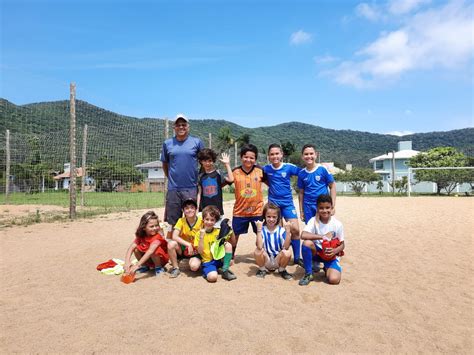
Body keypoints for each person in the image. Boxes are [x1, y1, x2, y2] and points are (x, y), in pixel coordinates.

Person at [161, 114, 204, 237]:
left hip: (191, 188)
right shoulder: (167, 143)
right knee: (172, 221)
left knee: (191, 218)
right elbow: (164, 163)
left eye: (184, 124)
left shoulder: (196, 142)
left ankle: (192, 247)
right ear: (174, 127)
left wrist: (198, 177)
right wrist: (170, 177)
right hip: (173, 188)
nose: (181, 127)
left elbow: (204, 161)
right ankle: (173, 249)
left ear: (188, 127)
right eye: (178, 125)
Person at [263, 143, 302, 265]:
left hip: (287, 204)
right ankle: (277, 256)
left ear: (281, 154)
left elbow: (304, 173)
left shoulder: (289, 167)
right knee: (277, 231)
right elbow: (262, 179)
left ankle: (296, 257)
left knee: (295, 229)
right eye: (272, 154)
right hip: (274, 205)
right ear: (268, 156)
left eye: (277, 153)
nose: (275, 156)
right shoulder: (266, 169)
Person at [228, 143, 266, 258]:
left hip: (257, 211)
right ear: (241, 157)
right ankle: (230, 256)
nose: (248, 160)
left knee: (261, 234)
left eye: (252, 157)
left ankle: (264, 255)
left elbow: (271, 184)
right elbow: (221, 184)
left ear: (255, 159)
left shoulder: (260, 171)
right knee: (234, 235)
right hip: (240, 211)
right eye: (246, 157)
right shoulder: (235, 172)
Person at [299, 194, 345, 286]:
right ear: (317, 208)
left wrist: (334, 251)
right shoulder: (313, 221)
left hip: (330, 255)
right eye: (321, 208)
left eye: (327, 207)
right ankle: (308, 273)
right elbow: (303, 235)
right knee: (306, 243)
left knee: (334, 280)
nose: (325, 211)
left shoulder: (337, 224)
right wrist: (323, 236)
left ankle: (327, 267)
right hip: (317, 253)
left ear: (332, 208)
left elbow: (342, 245)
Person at [195, 205, 236, 282]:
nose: (209, 222)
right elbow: (200, 251)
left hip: (218, 259)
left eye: (212, 220)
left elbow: (233, 244)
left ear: (216, 221)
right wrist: (201, 237)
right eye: (207, 219)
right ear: (203, 219)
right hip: (208, 262)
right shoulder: (199, 233)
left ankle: (225, 270)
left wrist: (231, 229)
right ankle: (209, 270)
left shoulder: (218, 232)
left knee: (228, 246)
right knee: (213, 278)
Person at [297, 144, 336, 223]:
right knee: (311, 230)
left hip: (323, 206)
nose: (309, 156)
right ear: (302, 156)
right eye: (306, 154)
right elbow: (301, 193)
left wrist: (332, 206)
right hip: (308, 206)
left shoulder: (322, 169)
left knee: (324, 229)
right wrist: (301, 211)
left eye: (311, 153)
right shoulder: (301, 173)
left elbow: (332, 186)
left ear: (316, 155)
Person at [254, 202, 293, 280]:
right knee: (257, 251)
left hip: (277, 260)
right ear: (264, 216)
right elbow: (259, 246)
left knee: (287, 252)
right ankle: (262, 269)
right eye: (268, 216)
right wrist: (258, 230)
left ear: (277, 217)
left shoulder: (281, 231)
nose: (271, 219)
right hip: (266, 260)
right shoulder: (262, 230)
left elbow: (286, 247)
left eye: (274, 217)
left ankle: (282, 270)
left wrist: (288, 232)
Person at [123, 211, 169, 277]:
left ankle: (159, 268)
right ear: (144, 227)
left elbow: (150, 251)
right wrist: (127, 262)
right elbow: (131, 247)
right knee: (136, 249)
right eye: (151, 226)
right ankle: (145, 266)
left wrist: (137, 265)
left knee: (154, 250)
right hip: (149, 259)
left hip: (161, 260)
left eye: (156, 225)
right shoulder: (141, 236)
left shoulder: (158, 237)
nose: (155, 228)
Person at [167, 198, 202, 278]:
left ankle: (198, 262)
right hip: (183, 249)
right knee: (171, 244)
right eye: (186, 208)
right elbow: (174, 236)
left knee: (194, 267)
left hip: (196, 251)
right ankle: (176, 268)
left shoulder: (201, 221)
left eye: (192, 207)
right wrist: (188, 244)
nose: (189, 210)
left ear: (196, 209)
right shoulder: (181, 221)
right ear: (183, 210)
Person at [197, 148, 234, 216]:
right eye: (205, 161)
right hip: (204, 210)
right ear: (201, 161)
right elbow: (199, 193)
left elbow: (231, 179)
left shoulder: (218, 173)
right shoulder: (200, 176)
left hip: (217, 210)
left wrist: (227, 164)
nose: (207, 163)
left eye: (210, 160)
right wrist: (197, 209)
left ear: (213, 161)